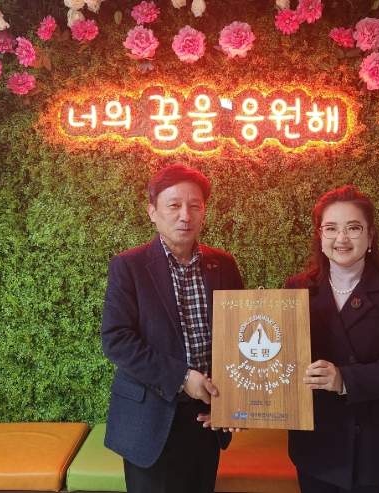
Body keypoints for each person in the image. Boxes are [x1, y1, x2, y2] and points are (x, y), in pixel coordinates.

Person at [100, 164, 245, 493]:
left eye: (195, 206)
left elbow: (241, 335)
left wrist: (237, 403)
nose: (185, 216)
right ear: (153, 212)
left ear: (204, 212)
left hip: (208, 416)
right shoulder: (129, 265)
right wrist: (182, 377)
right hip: (150, 420)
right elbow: (117, 340)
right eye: (174, 205)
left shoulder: (223, 264)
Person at [285, 186, 379, 493]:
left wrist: (343, 379)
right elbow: (285, 357)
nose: (341, 238)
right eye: (331, 228)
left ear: (370, 236)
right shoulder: (297, 288)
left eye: (353, 228)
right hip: (315, 438)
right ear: (320, 236)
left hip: (370, 441)